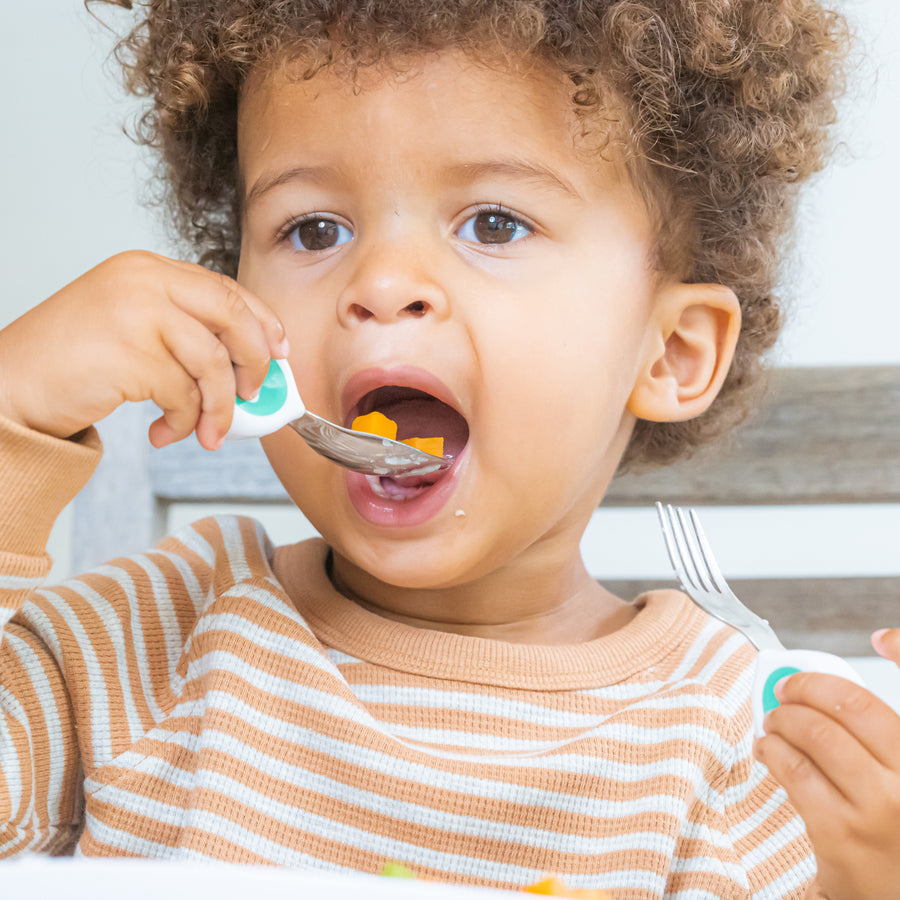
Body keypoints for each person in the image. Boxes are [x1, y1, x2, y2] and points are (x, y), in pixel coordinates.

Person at [1, 1, 896, 897]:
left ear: (670, 352)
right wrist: (12, 403)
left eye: (494, 224)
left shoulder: (738, 749)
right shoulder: (145, 641)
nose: (383, 285)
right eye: (314, 230)